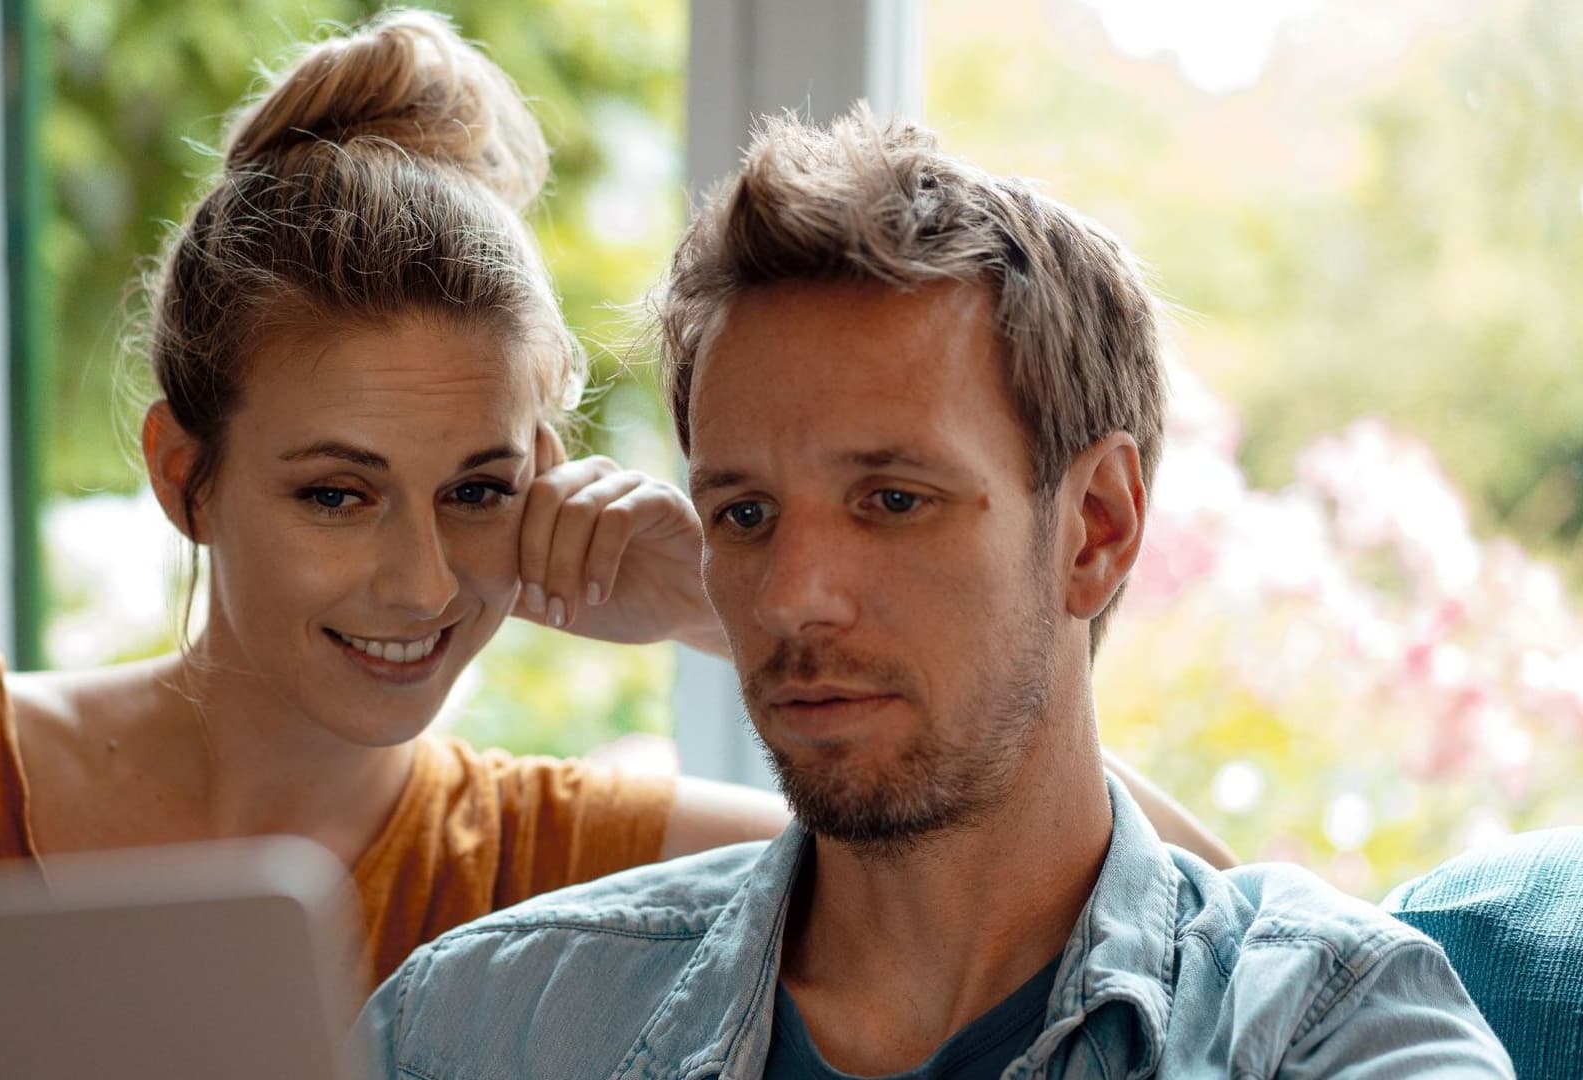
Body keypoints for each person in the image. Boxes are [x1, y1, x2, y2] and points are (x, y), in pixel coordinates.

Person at [0, 10, 1227, 997]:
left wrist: (737, 594)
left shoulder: (561, 859)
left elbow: (1196, 918)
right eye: (335, 493)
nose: (420, 581)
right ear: (185, 473)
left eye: (480, 491)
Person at [355, 107, 1513, 1076]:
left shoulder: (1338, 1035)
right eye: (744, 515)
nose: (793, 597)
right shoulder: (481, 1027)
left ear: (1096, 529)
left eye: (894, 501)